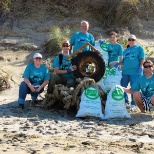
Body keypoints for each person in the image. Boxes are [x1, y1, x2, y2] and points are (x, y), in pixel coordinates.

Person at [121, 34, 145, 109]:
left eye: (133, 40)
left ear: (135, 41)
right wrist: (118, 64)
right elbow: (123, 61)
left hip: (135, 72)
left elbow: (142, 58)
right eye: (129, 40)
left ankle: (134, 104)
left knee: (134, 88)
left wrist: (141, 67)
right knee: (122, 87)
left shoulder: (139, 48)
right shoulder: (125, 51)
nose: (131, 41)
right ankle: (126, 102)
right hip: (125, 72)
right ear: (128, 41)